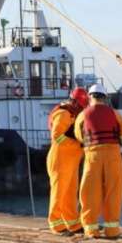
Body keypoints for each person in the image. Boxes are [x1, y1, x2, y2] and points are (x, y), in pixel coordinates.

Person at [74, 83, 122, 239]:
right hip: (113, 154)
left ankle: (91, 230)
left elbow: (78, 135)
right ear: (105, 97)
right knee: (113, 191)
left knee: (90, 192)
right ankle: (112, 231)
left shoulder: (83, 115)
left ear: (90, 97)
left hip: (92, 155)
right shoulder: (115, 113)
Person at [46, 86, 90, 235]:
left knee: (70, 193)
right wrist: (78, 144)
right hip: (60, 159)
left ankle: (73, 224)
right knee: (59, 192)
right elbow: (57, 136)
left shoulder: (72, 115)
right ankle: (55, 224)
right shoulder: (64, 114)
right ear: (76, 103)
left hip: (70, 159)